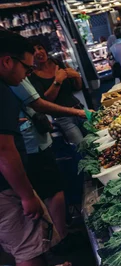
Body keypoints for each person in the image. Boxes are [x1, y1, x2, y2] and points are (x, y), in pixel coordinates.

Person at [0, 30, 77, 266]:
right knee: (26, 248)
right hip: (5, 189)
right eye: (26, 67)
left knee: (32, 238)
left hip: (11, 182)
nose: (28, 74)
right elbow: (4, 151)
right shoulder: (1, 91)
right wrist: (26, 195)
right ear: (8, 61)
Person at [11, 74, 87, 239]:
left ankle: (56, 236)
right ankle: (61, 238)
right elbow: (38, 103)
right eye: (26, 67)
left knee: (45, 190)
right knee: (52, 189)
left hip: (27, 144)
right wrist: (78, 112)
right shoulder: (13, 78)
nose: (25, 73)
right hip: (33, 144)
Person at [28, 40, 86, 145]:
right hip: (63, 119)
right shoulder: (32, 76)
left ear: (45, 49)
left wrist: (77, 76)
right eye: (33, 51)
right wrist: (57, 81)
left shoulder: (57, 63)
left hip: (80, 110)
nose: (38, 52)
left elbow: (77, 87)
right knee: (83, 149)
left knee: (96, 140)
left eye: (40, 48)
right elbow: (46, 101)